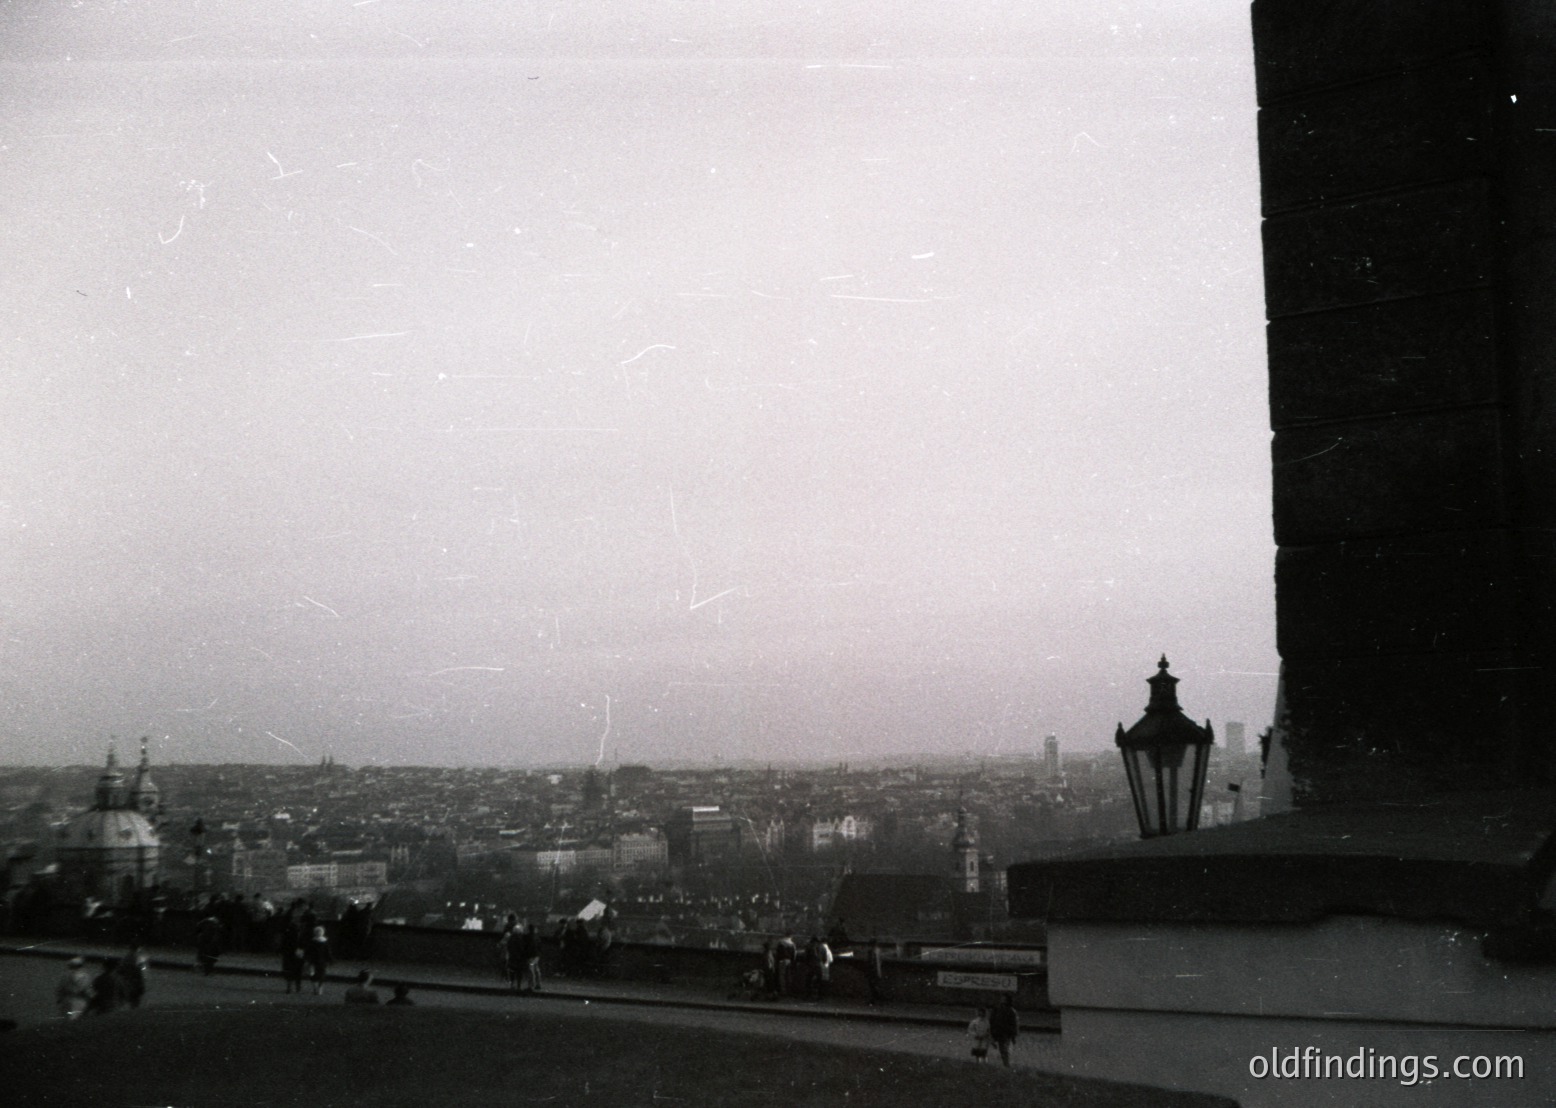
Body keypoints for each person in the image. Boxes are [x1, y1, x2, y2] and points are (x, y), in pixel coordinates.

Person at [989, 995, 1020, 1067]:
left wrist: (1014, 1035)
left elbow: (1014, 1023)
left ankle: (1006, 1064)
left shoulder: (1011, 1011)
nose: (1002, 1000)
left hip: (1006, 1032)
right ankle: (1005, 1063)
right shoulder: (997, 1009)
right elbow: (992, 1020)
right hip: (998, 1031)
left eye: (1004, 999)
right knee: (1002, 1049)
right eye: (1002, 999)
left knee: (1004, 1048)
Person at [280, 918, 306, 994]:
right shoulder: (300, 935)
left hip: (288, 955)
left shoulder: (287, 934)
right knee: (298, 972)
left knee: (289, 971)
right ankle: (298, 987)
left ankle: (289, 987)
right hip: (298, 955)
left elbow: (283, 945)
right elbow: (303, 945)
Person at [304, 924, 332, 996]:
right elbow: (327, 952)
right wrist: (330, 960)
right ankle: (318, 988)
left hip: (315, 961)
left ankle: (316, 988)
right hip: (320, 961)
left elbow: (308, 951)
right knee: (320, 975)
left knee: (316, 975)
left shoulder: (313, 941)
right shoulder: (324, 941)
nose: (319, 933)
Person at [194, 910, 222, 976]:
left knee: (202, 953)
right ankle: (207, 970)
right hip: (210, 939)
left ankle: (202, 967)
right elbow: (217, 931)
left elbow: (198, 926)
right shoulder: (216, 922)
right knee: (210, 955)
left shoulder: (205, 920)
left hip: (203, 937)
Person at [864, 938, 886, 1006]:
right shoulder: (878, 951)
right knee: (875, 986)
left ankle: (875, 1000)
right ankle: (875, 1000)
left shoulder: (871, 952)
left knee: (873, 986)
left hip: (872, 971)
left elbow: (870, 962)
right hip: (878, 971)